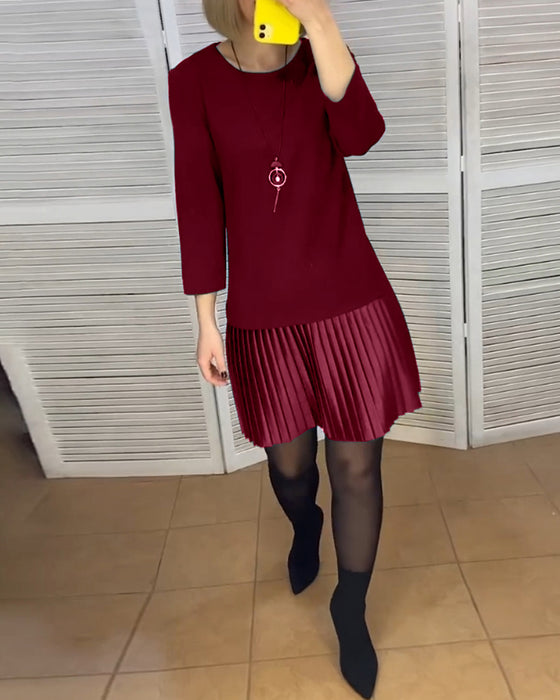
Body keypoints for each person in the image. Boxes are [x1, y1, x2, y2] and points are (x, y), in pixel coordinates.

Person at [167, 0, 423, 696]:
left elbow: (362, 135)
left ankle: (350, 606)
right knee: (291, 467)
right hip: (263, 316)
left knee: (357, 468)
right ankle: (306, 525)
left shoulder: (321, 61)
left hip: (350, 302)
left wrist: (323, 24)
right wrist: (205, 320)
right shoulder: (192, 81)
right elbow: (199, 203)